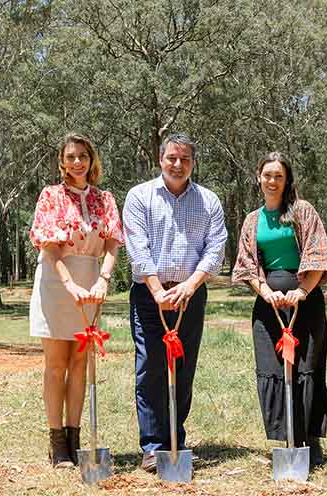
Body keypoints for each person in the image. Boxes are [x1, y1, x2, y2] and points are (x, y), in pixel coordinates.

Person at [123, 132, 228, 472]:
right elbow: (137, 248)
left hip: (191, 296)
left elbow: (216, 249)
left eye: (185, 159)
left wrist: (191, 285)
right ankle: (153, 447)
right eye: (172, 158)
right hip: (149, 295)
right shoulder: (139, 197)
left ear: (193, 163)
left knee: (182, 369)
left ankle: (175, 442)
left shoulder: (209, 201)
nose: (178, 164)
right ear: (160, 159)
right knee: (150, 367)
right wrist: (157, 291)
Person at [232, 151, 327, 466]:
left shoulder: (302, 211)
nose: (272, 181)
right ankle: (286, 439)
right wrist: (264, 291)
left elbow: (318, 254)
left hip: (304, 301)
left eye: (279, 176)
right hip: (268, 306)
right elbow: (247, 264)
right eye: (268, 175)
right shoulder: (253, 219)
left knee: (307, 368)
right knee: (275, 370)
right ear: (258, 178)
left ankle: (310, 441)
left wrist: (302, 290)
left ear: (286, 180)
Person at [28, 133, 123, 467]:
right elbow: (48, 246)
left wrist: (104, 280)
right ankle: (57, 443)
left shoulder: (105, 199)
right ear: (62, 162)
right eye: (71, 157)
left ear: (92, 159)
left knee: (80, 364)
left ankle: (75, 436)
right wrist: (69, 284)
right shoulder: (51, 196)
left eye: (83, 156)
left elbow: (112, 242)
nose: (77, 162)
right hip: (57, 283)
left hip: (92, 282)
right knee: (56, 365)